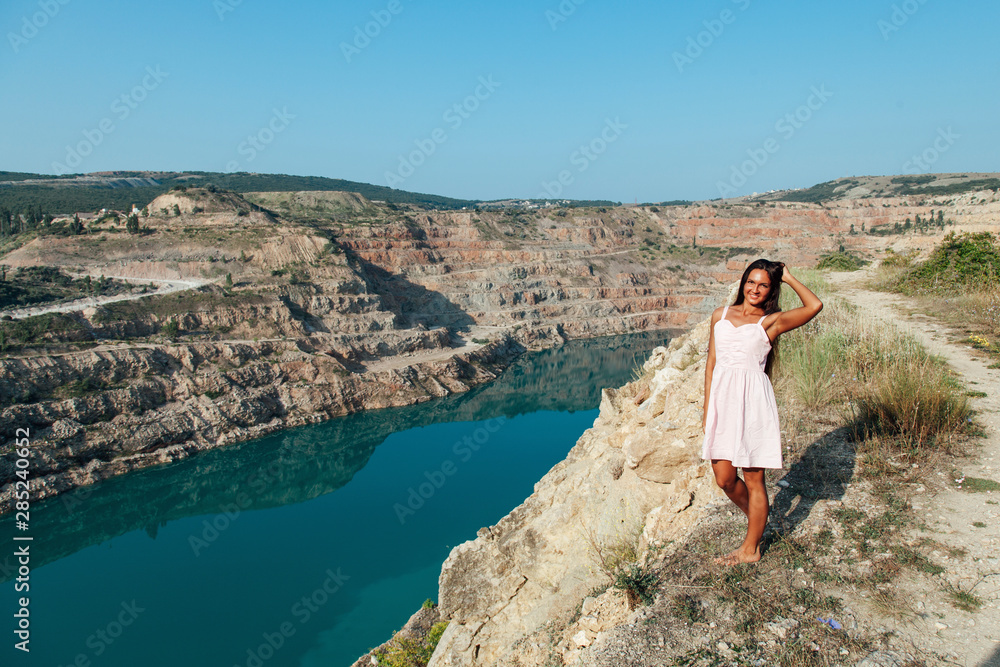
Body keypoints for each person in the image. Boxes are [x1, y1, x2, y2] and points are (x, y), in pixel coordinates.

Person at [702, 259, 822, 565]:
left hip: (753, 404)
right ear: (743, 283)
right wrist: (707, 408)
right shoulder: (721, 315)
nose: (755, 289)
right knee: (724, 478)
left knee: (754, 480)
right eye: (751, 282)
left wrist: (790, 277)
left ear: (771, 289)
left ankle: (751, 548)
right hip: (723, 402)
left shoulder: (772, 321)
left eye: (763, 285)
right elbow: (711, 363)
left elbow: (814, 305)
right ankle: (758, 517)